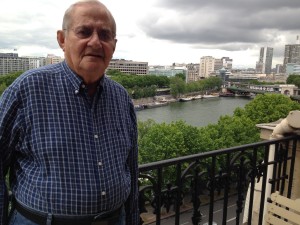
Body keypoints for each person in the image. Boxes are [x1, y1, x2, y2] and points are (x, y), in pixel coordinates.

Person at [0, 0, 139, 225]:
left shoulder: (122, 98)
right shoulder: (26, 90)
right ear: (62, 40)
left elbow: (131, 167)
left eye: (104, 35)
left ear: (113, 44)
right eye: (84, 32)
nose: (95, 41)